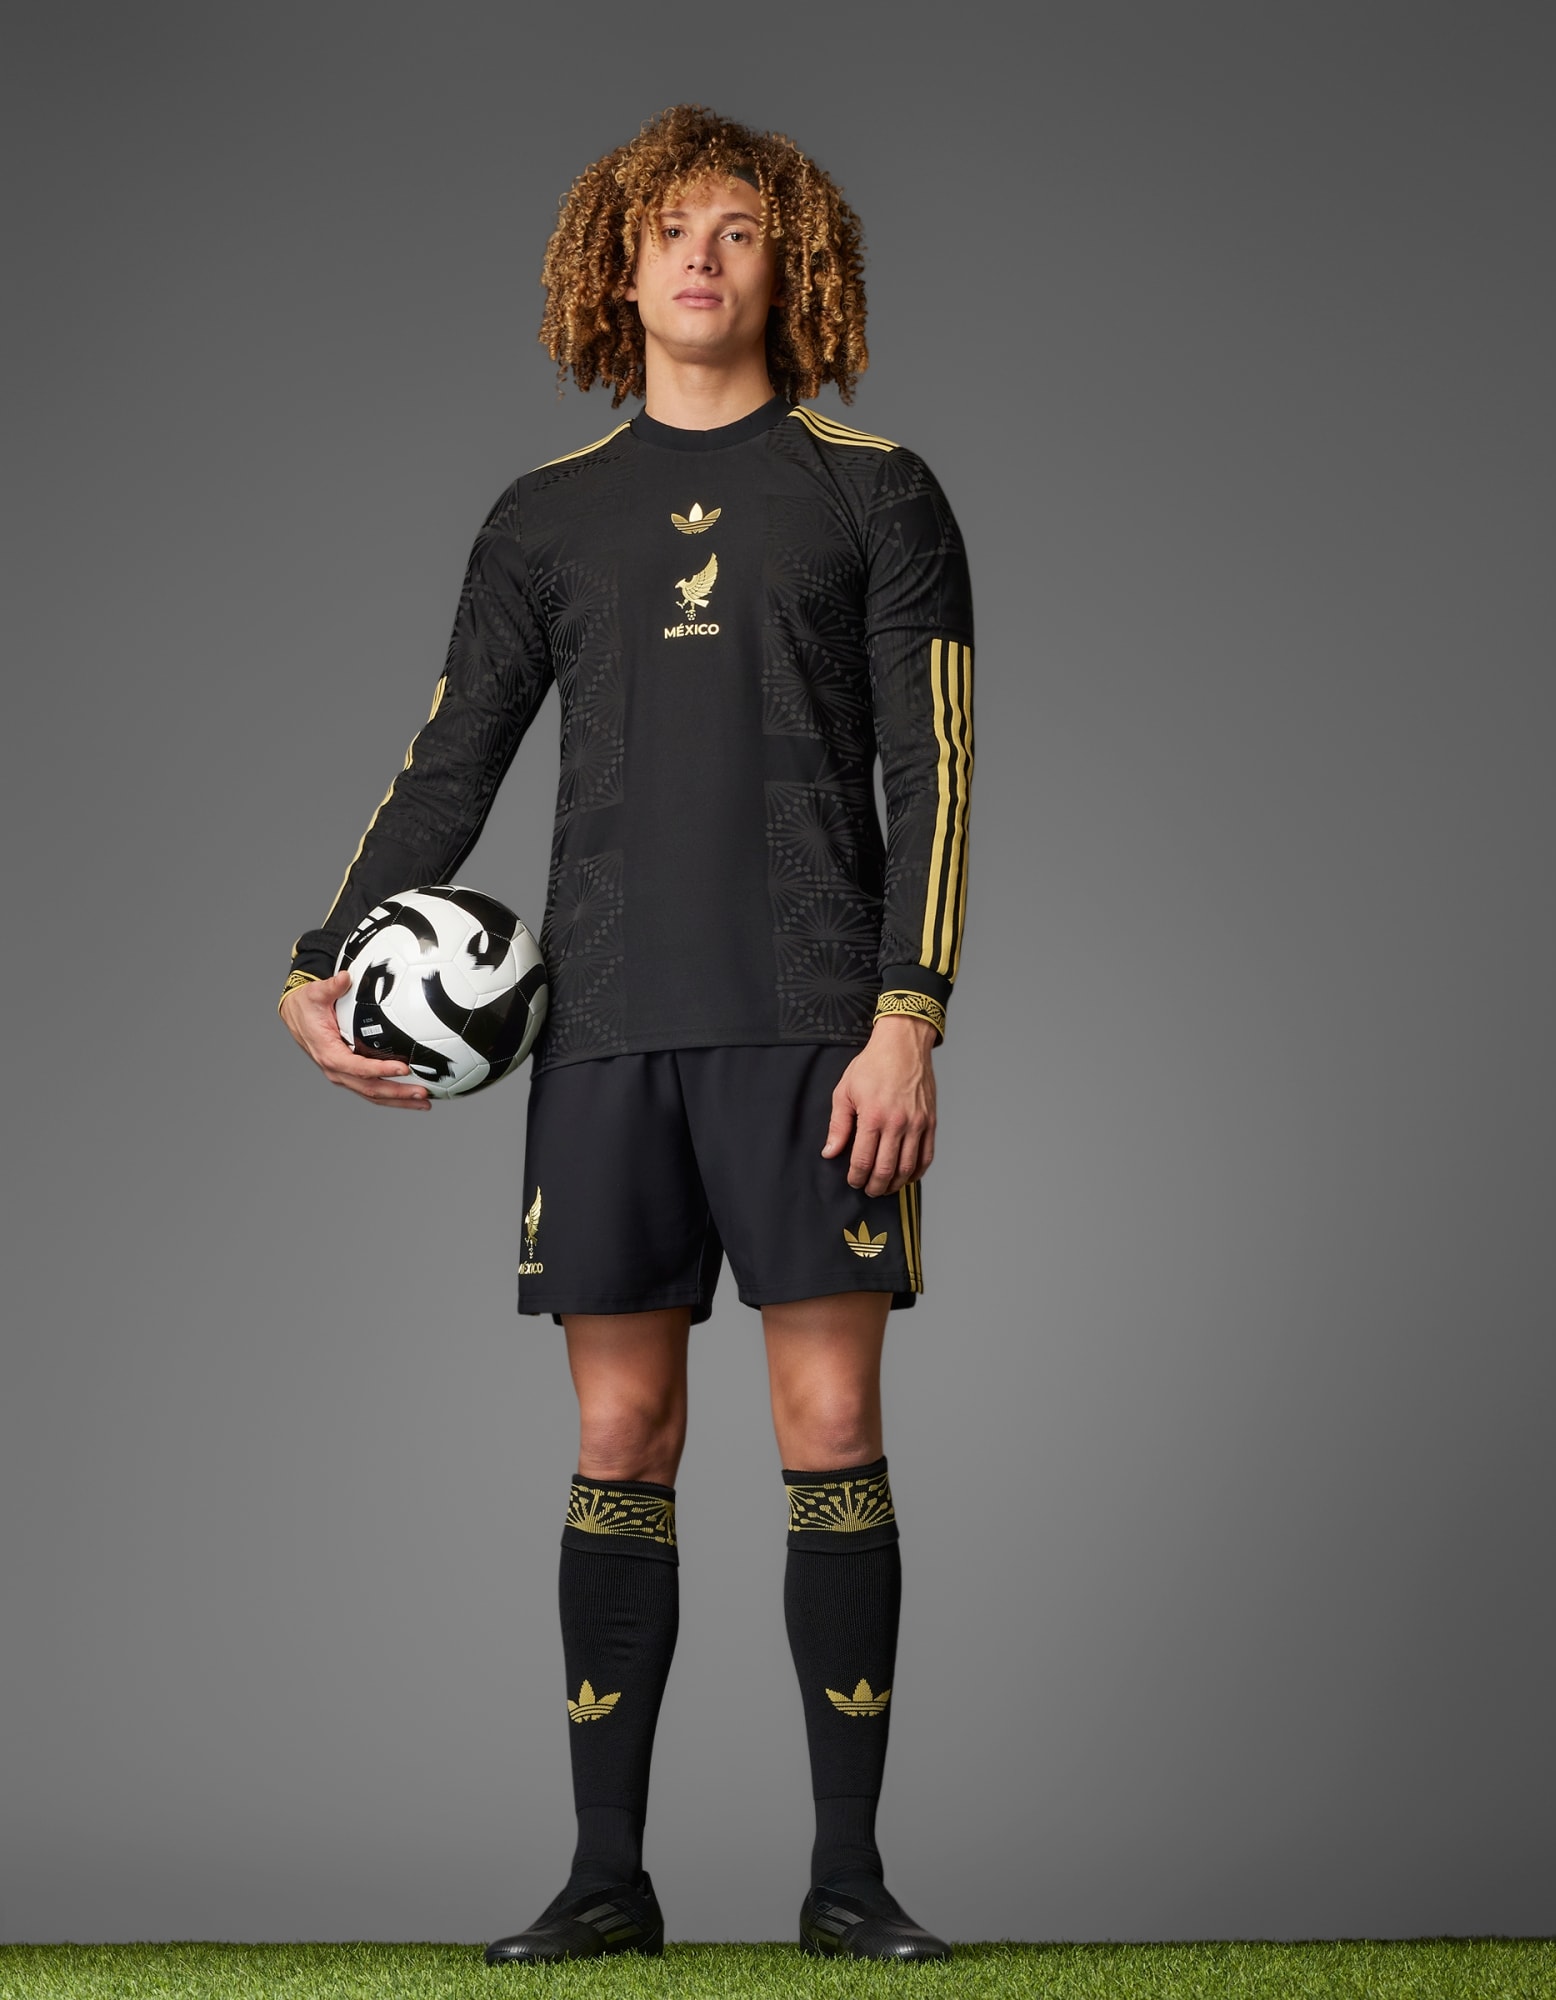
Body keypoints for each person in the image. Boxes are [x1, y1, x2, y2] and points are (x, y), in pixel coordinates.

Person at [277, 105, 971, 1965]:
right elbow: (454, 759)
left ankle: (848, 1882)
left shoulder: (877, 491)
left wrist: (907, 1015)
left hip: (814, 1030)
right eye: (672, 231)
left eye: (739, 231)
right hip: (601, 1039)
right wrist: (319, 959)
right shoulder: (543, 518)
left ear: (789, 266)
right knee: (622, 1430)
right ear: (617, 263)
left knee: (831, 1419)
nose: (702, 259)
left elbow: (935, 774)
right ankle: (606, 1880)